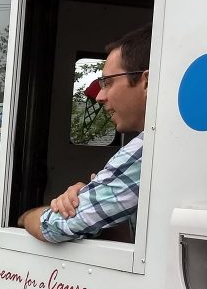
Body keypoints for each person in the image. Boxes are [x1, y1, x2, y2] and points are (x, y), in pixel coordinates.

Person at [17, 24, 151, 242]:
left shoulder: (146, 152)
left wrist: (26, 216)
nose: (99, 97)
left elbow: (53, 227)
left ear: (146, 82)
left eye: (108, 83)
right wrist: (90, 195)